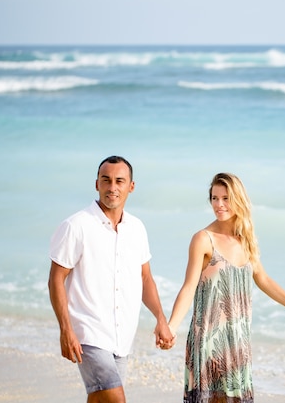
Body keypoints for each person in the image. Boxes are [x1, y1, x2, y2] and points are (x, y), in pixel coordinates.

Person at [165, 172, 285, 403]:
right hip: (209, 341)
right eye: (214, 198)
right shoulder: (203, 239)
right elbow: (188, 287)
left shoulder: (245, 239)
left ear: (238, 199)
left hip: (238, 343)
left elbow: (263, 279)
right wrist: (171, 327)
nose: (219, 204)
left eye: (225, 198)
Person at [48, 155, 173, 403]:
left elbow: (145, 278)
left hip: (122, 338)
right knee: (117, 399)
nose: (112, 187)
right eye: (106, 180)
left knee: (99, 399)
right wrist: (66, 329)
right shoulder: (77, 226)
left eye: (119, 181)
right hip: (88, 334)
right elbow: (55, 279)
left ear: (131, 186)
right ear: (97, 184)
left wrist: (160, 319)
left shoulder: (136, 228)